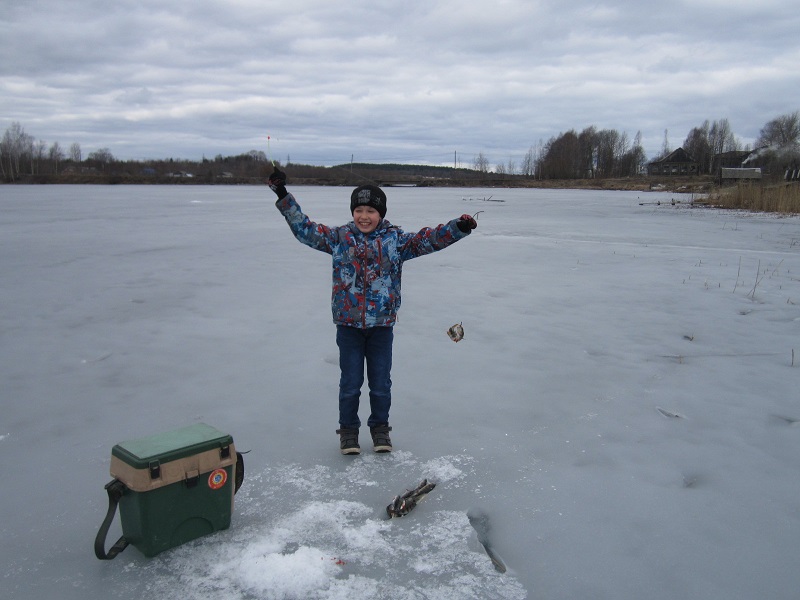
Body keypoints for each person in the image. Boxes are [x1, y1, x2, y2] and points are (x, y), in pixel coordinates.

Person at [269, 167, 477, 455]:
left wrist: (459, 227)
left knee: (380, 384)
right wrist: (282, 194)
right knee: (350, 384)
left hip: (381, 326)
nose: (364, 216)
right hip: (348, 326)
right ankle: (348, 432)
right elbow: (305, 230)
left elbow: (429, 239)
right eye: (359, 210)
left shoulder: (396, 241)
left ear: (381, 213)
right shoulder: (339, 238)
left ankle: (380, 429)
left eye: (370, 211)